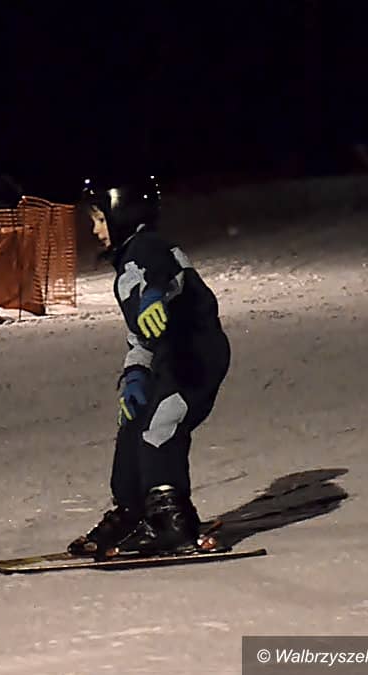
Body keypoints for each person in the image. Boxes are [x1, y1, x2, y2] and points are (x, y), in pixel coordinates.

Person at [69, 177, 231, 559]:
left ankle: (172, 522)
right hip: (166, 359)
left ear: (121, 213)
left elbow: (163, 272)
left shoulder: (149, 246)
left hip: (195, 356)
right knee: (133, 427)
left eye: (99, 219)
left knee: (161, 427)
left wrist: (155, 293)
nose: (95, 230)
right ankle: (133, 511)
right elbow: (139, 335)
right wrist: (135, 374)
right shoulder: (126, 266)